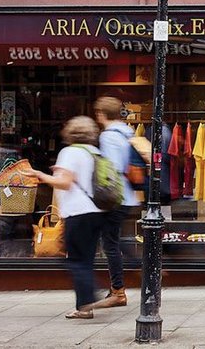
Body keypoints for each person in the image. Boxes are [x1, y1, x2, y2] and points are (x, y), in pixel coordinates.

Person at [30, 116, 104, 320]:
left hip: (77, 213)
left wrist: (41, 175)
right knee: (85, 260)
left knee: (75, 261)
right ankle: (84, 307)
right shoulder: (94, 152)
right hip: (95, 211)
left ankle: (90, 297)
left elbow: (64, 183)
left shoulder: (69, 152)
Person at [91, 96, 135, 309]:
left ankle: (118, 290)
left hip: (114, 197)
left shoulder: (108, 137)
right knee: (114, 240)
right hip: (127, 195)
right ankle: (140, 266)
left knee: (110, 244)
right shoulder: (128, 132)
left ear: (101, 114)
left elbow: (111, 168)